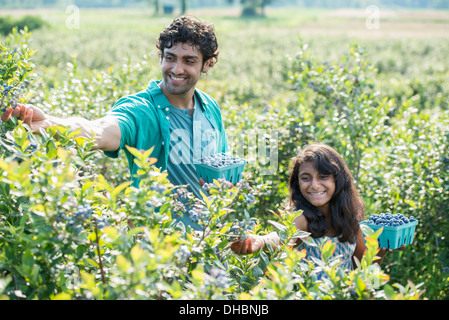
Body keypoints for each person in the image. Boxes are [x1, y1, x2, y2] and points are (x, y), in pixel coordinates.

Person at [0, 16, 228, 231]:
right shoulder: (142, 109)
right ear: (161, 57)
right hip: (162, 255)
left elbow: (223, 166)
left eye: (189, 61)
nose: (177, 69)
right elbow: (98, 131)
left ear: (207, 65)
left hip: (209, 245)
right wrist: (49, 123)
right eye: (170, 58)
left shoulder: (209, 107)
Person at [231, 143, 405, 278]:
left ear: (338, 180)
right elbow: (282, 236)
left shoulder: (352, 219)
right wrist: (261, 241)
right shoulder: (302, 218)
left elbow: (363, 273)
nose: (314, 185)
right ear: (297, 183)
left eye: (323, 177)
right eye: (306, 178)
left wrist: (380, 250)